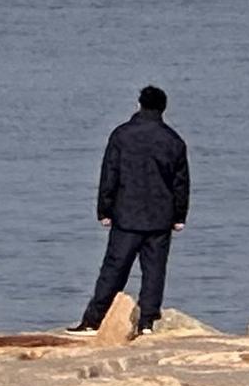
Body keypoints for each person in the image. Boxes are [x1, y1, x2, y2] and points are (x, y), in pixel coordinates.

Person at [78, 86, 189, 332]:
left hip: (126, 215)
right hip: (160, 218)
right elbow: (180, 183)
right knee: (154, 271)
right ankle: (147, 322)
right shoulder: (173, 140)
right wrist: (179, 216)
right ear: (163, 108)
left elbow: (110, 174)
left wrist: (104, 210)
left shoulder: (121, 135)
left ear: (139, 104)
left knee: (114, 269)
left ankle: (93, 321)